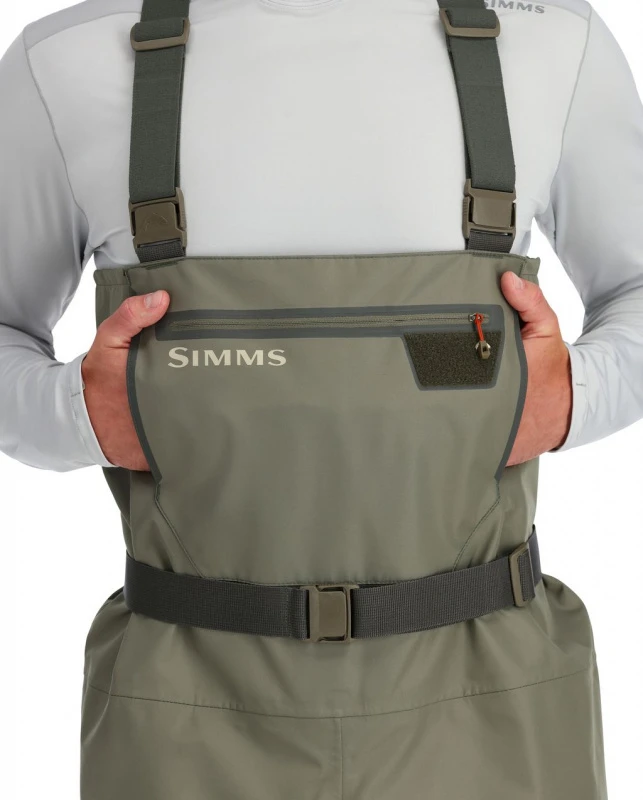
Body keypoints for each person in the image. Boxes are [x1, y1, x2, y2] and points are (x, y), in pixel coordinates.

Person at [1, 0, 641, 797]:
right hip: (186, 711)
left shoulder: (552, 43)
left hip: (490, 698)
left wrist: (575, 396)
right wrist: (74, 413)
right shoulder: (67, 62)